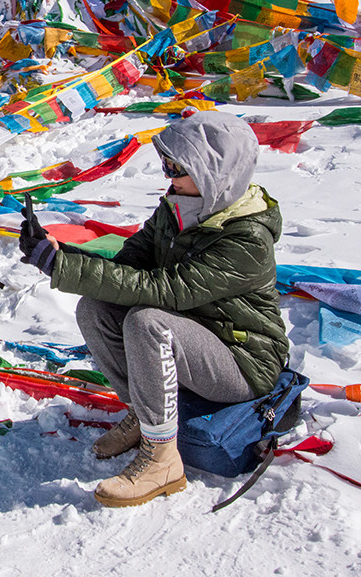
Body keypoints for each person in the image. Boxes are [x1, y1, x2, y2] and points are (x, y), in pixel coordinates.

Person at [19, 111, 287, 507]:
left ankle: (162, 460)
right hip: (194, 333)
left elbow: (166, 291)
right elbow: (128, 269)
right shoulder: (177, 209)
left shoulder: (246, 239)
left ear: (214, 172)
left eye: (177, 166)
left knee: (148, 321)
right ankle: (146, 419)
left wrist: (64, 269)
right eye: (166, 164)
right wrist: (60, 254)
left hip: (244, 359)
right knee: (96, 308)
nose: (168, 175)